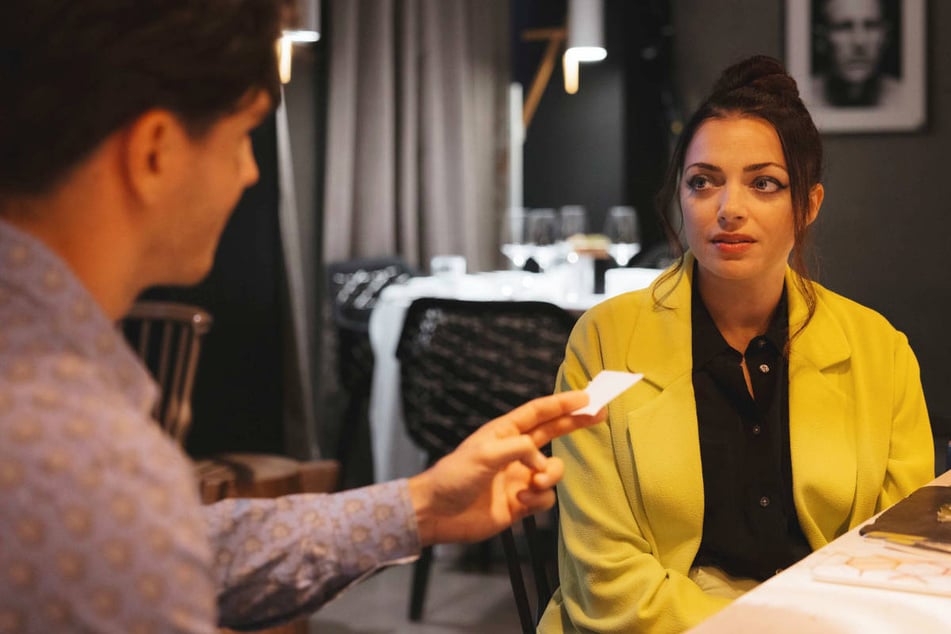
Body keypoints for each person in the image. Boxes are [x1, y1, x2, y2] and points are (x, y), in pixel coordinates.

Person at [0, 1, 606, 632]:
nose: (249, 170)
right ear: (154, 152)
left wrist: (422, 505)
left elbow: (182, 546)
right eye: (242, 136)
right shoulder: (73, 450)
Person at [538, 54, 934, 633]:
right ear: (681, 195)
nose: (729, 209)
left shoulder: (879, 348)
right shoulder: (603, 340)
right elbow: (606, 581)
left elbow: (895, 557)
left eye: (764, 183)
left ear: (809, 204)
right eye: (703, 182)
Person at [811, 0, 899, 107]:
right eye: (844, 27)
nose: (859, 42)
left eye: (871, 26)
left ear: (886, 36)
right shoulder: (799, 101)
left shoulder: (908, 100)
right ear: (821, 39)